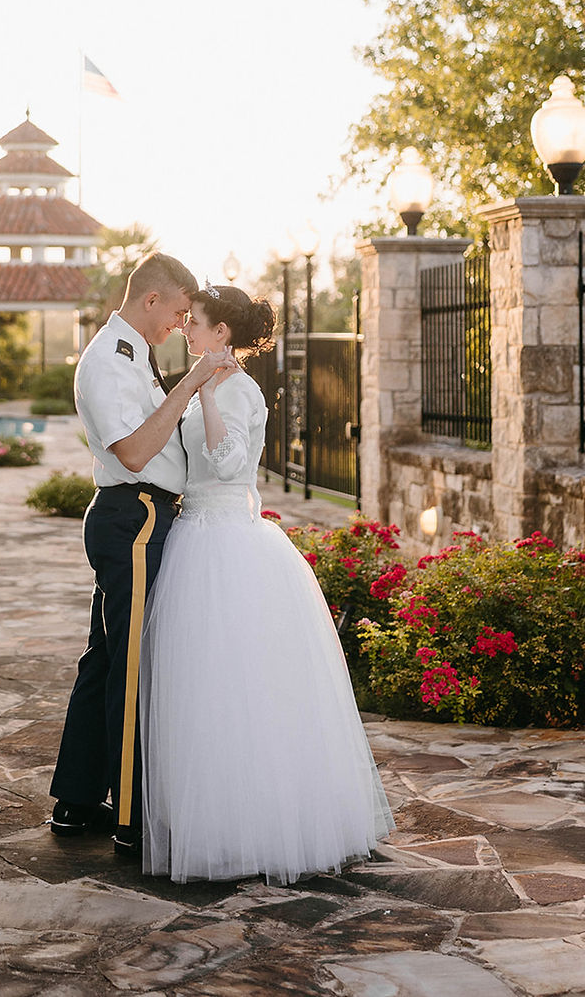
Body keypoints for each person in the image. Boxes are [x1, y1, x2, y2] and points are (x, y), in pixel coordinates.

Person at [140, 284, 396, 884]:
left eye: (195, 322)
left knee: (245, 684)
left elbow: (229, 463)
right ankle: (207, 817)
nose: (186, 329)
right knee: (200, 685)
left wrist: (201, 393)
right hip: (192, 535)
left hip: (230, 540)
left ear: (221, 332)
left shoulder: (243, 390)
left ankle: (257, 823)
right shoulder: (204, 377)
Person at [49, 253, 232, 857]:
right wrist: (191, 383)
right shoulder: (109, 358)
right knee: (130, 666)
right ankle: (131, 814)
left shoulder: (132, 353)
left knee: (104, 660)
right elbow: (131, 451)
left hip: (141, 515)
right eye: (179, 311)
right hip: (133, 514)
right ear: (151, 299)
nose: (182, 323)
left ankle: (77, 802)